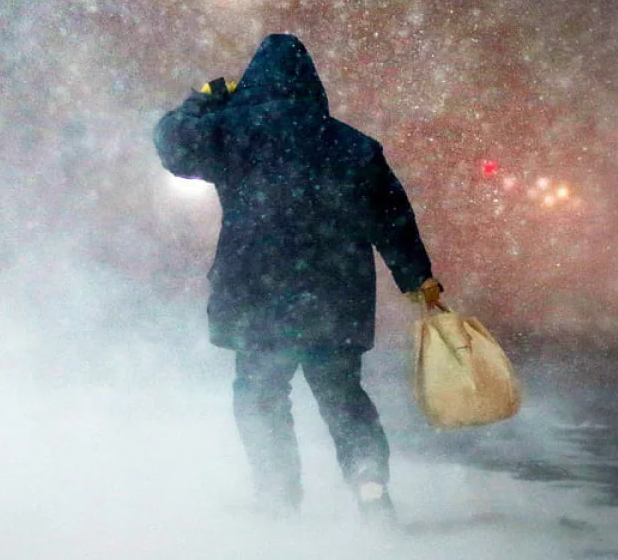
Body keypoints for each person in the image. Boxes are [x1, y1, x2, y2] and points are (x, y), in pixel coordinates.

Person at [153, 33, 442, 521]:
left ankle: (278, 498)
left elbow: (172, 143)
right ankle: (370, 486)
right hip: (337, 291)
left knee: (261, 394)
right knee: (342, 393)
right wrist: (417, 278)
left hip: (257, 290)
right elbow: (392, 218)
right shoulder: (352, 145)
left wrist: (205, 98)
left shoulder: (232, 131)